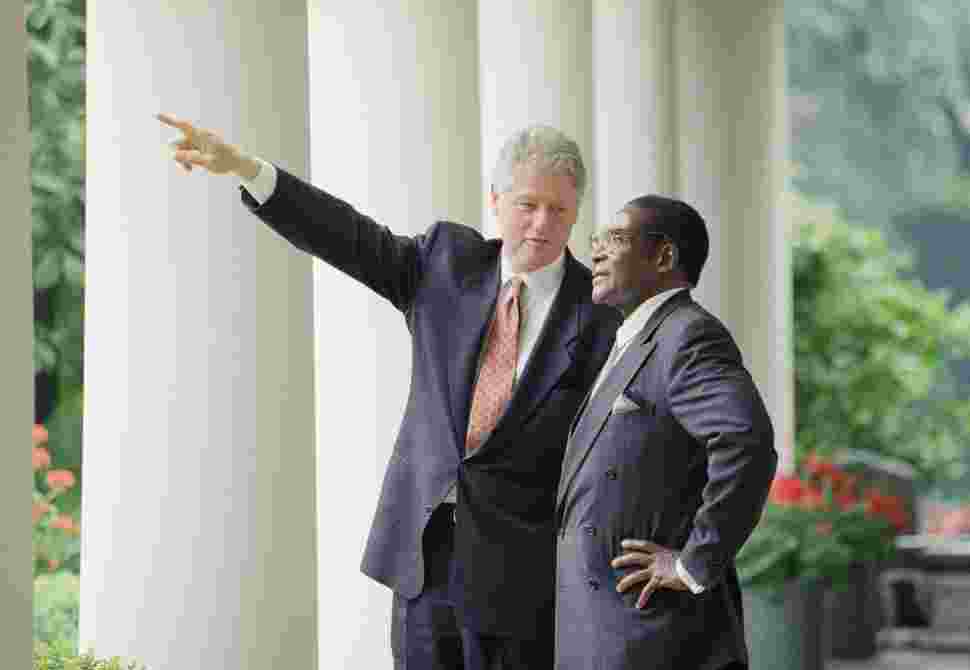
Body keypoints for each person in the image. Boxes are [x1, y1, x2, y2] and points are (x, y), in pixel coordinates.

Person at [156, 112, 621, 669]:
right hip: (422, 557)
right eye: (528, 204)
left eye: (559, 210)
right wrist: (246, 169)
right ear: (496, 199)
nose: (541, 224)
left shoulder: (598, 317)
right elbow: (347, 236)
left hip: (523, 575)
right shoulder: (446, 264)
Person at [553, 195, 778, 670]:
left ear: (664, 256)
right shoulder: (633, 338)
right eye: (598, 240)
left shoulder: (687, 336)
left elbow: (746, 443)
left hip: (655, 639)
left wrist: (692, 563)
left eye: (614, 239)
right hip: (602, 632)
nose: (595, 252)